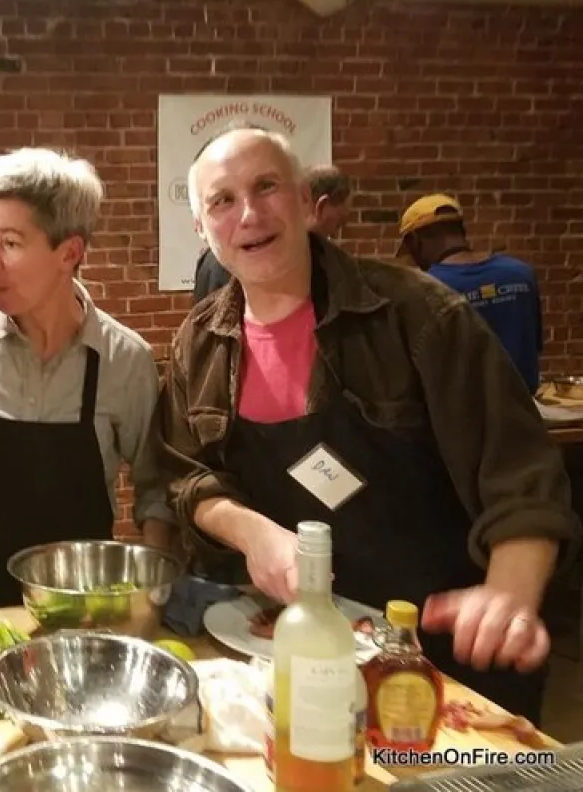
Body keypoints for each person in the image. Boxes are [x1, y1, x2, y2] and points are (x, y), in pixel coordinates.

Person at [156, 126, 580, 725]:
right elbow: (187, 476)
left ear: (307, 202)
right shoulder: (198, 343)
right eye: (222, 200)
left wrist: (510, 589)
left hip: (440, 655)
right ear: (202, 229)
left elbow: (521, 471)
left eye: (266, 186)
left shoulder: (417, 315)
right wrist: (251, 532)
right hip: (292, 651)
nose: (248, 213)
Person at [0, 147, 176, 617]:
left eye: (11, 243)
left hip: (80, 608)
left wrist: (154, 585)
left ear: (70, 253)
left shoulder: (126, 360)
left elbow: (158, 485)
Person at [398, 193, 543, 393]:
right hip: (524, 410)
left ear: (414, 240)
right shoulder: (522, 274)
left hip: (465, 416)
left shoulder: (425, 287)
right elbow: (532, 345)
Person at [191, 163, 353, 301]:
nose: (250, 216)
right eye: (338, 224)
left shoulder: (209, 258)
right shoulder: (290, 261)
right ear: (320, 206)